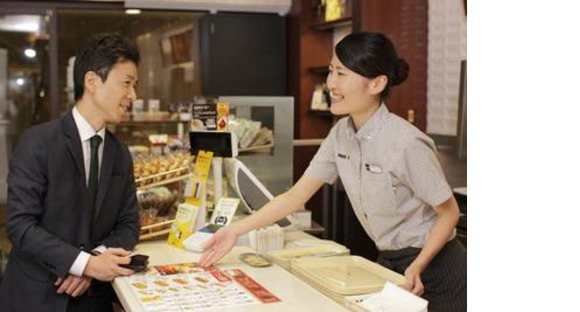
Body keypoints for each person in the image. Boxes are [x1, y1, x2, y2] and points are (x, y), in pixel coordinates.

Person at [200, 32, 467, 311]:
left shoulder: (406, 143)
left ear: (377, 83)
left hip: (439, 269)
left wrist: (418, 265)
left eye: (341, 73)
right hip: (392, 264)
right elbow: (294, 197)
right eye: (330, 71)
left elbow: (448, 212)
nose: (331, 83)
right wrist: (233, 231)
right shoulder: (341, 133)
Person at [0, 33, 141, 312]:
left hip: (92, 300)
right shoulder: (37, 142)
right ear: (91, 81)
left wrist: (93, 265)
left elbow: (129, 225)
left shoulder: (119, 153)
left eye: (135, 85)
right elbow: (20, 225)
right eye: (127, 83)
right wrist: (85, 263)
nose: (133, 96)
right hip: (36, 296)